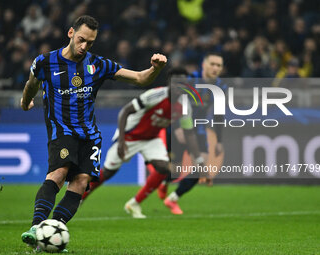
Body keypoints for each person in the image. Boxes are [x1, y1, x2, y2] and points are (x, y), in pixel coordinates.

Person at [20, 15, 167, 251]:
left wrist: (155, 69)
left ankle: (52, 233)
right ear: (70, 33)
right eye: (81, 40)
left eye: (89, 42)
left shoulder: (98, 65)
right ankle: (37, 227)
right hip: (62, 131)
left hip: (89, 135)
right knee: (58, 173)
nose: (84, 46)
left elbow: (140, 79)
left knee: (81, 182)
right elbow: (31, 85)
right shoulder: (45, 62)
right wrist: (26, 102)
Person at [81, 68, 204, 218]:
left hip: (151, 139)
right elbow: (125, 112)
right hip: (129, 135)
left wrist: (198, 159)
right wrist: (121, 141)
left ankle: (134, 204)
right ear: (169, 82)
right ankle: (82, 194)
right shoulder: (156, 95)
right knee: (107, 172)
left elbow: (189, 133)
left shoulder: (185, 106)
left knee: (164, 168)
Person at [158, 52, 226, 215]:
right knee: (174, 171)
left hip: (199, 129)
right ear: (204, 64)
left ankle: (172, 199)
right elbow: (173, 100)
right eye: (212, 64)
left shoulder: (221, 87)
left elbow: (219, 115)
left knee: (200, 169)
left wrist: (219, 140)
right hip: (179, 125)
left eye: (219, 65)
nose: (215, 68)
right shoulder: (190, 79)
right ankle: (162, 182)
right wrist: (177, 127)